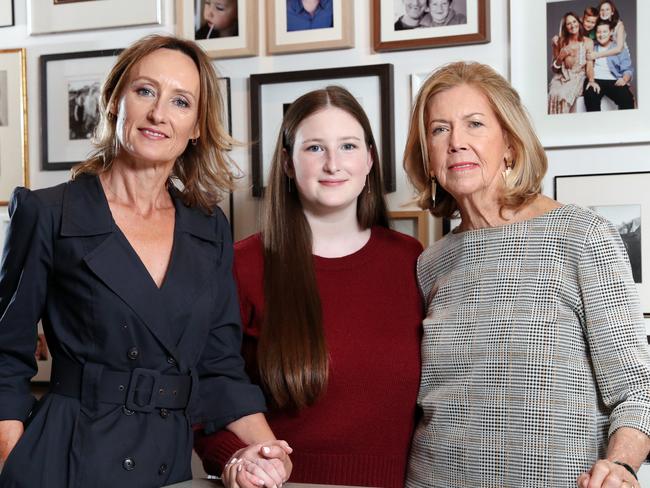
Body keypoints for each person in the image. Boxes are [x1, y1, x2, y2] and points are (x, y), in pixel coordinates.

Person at [0, 34, 291, 488]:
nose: (159, 113)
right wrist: (12, 463)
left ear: (196, 126)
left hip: (165, 465)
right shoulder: (49, 212)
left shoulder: (208, 226)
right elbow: (5, 357)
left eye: (180, 101)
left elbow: (219, 366)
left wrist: (270, 452)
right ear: (116, 101)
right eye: (145, 91)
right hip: (65, 461)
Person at [403, 60, 650, 487]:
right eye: (439, 129)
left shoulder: (581, 235)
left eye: (475, 124)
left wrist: (622, 464)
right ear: (428, 158)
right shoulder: (431, 262)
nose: (456, 142)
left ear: (510, 144)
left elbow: (638, 390)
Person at [194, 86, 423, 488]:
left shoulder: (411, 260)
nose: (333, 164)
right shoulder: (241, 266)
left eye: (348, 146)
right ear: (286, 162)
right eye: (315, 148)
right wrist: (239, 459)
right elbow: (209, 395)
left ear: (369, 159)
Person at [548, 12, 594, 114]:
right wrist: (561, 56)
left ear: (579, 22)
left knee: (563, 95)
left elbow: (589, 66)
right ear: (565, 27)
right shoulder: (559, 41)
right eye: (569, 23)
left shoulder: (588, 42)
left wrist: (591, 80)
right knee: (553, 93)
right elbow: (555, 69)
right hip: (561, 77)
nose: (573, 25)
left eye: (574, 21)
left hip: (578, 77)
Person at [584, 19, 634, 112]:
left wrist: (624, 79)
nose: (601, 34)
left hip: (614, 80)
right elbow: (589, 66)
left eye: (604, 31)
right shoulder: (592, 46)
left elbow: (627, 69)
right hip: (596, 79)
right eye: (598, 32)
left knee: (627, 100)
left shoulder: (618, 48)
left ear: (611, 32)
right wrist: (591, 81)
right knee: (590, 96)